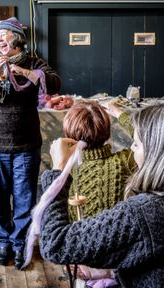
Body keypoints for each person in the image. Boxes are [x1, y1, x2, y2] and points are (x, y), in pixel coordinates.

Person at [38, 104, 164, 287]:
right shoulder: (124, 162)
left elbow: (54, 244)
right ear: (106, 133)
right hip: (117, 263)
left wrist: (57, 171)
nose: (132, 147)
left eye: (136, 144)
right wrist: (122, 116)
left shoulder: (140, 212)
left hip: (82, 253)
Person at [0, 17, 61, 269]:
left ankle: (19, 242)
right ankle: (3, 241)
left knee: (24, 198)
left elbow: (54, 84)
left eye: (4, 34)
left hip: (25, 145)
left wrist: (22, 72)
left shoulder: (35, 62)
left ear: (17, 39)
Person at [61, 100, 135, 221]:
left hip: (76, 237)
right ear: (107, 131)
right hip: (116, 236)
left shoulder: (64, 168)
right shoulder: (124, 162)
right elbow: (150, 140)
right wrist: (119, 113)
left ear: (69, 134)